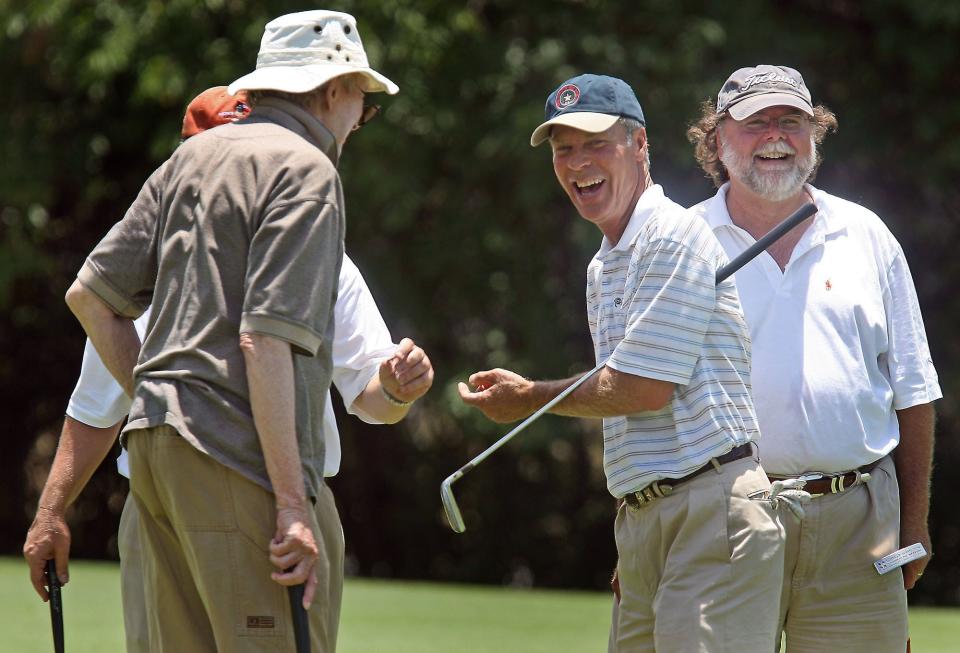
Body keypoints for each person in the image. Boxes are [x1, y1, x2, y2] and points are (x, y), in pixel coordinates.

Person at [55, 10, 407, 651]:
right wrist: (294, 507)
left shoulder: (189, 158)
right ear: (332, 91)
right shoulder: (307, 168)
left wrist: (159, 393)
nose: (361, 119)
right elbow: (263, 339)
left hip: (156, 456)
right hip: (239, 458)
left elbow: (90, 296)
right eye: (364, 102)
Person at [459, 73, 785, 652]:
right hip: (650, 517)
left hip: (711, 510)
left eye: (595, 144)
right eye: (564, 150)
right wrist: (638, 526)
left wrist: (528, 398)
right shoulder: (605, 261)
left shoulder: (671, 235)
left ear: (639, 145)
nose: (577, 162)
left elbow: (641, 389)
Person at [687, 64, 942, 651]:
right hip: (717, 519)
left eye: (791, 121)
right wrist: (648, 536)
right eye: (755, 124)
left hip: (858, 523)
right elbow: (644, 395)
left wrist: (914, 522)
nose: (775, 136)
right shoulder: (682, 240)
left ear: (815, 134)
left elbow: (913, 389)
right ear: (716, 140)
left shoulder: (866, 233)